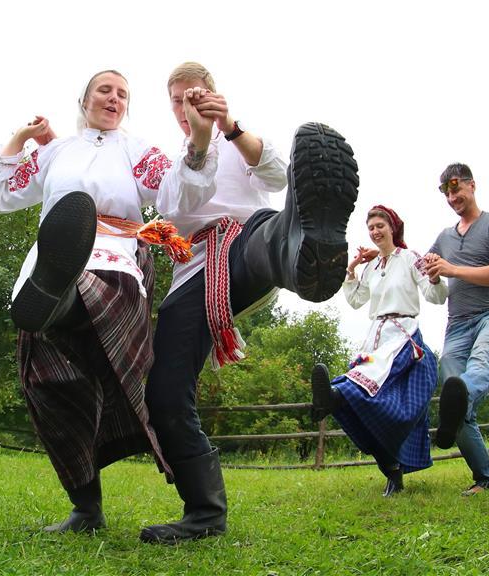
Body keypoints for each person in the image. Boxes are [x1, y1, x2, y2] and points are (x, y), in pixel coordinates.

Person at [139, 62, 359, 544]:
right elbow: (176, 209)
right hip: (193, 272)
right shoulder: (173, 160)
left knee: (261, 230)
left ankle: (300, 246)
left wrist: (228, 127)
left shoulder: (237, 138)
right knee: (163, 393)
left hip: (246, 246)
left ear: (213, 95)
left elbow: (280, 175)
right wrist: (198, 143)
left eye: (192, 96)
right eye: (176, 100)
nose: (184, 107)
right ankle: (204, 512)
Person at [0, 69, 214, 533]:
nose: (114, 98)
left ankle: (65, 295)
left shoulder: (134, 149)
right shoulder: (56, 151)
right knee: (50, 386)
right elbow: (2, 195)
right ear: (84, 99)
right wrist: (21, 138)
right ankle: (86, 510)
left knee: (95, 295)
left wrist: (199, 141)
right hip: (46, 270)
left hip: (115, 262)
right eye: (105, 90)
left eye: (123, 95)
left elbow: (174, 191)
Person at [310, 206, 448, 496]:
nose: (374, 231)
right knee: (360, 400)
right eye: (370, 227)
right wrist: (351, 270)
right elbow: (357, 300)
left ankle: (333, 397)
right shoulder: (372, 267)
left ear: (393, 227)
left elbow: (435, 296)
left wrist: (435, 277)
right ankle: (391, 471)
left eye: (379, 225)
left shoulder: (412, 258)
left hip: (403, 338)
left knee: (371, 396)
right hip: (375, 340)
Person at [422, 163, 489, 497]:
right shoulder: (443, 238)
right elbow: (429, 282)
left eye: (457, 188)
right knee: (451, 388)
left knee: (477, 366)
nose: (452, 196)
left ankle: (457, 409)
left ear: (472, 186)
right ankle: (484, 477)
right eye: (447, 191)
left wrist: (452, 269)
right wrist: (433, 275)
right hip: (457, 324)